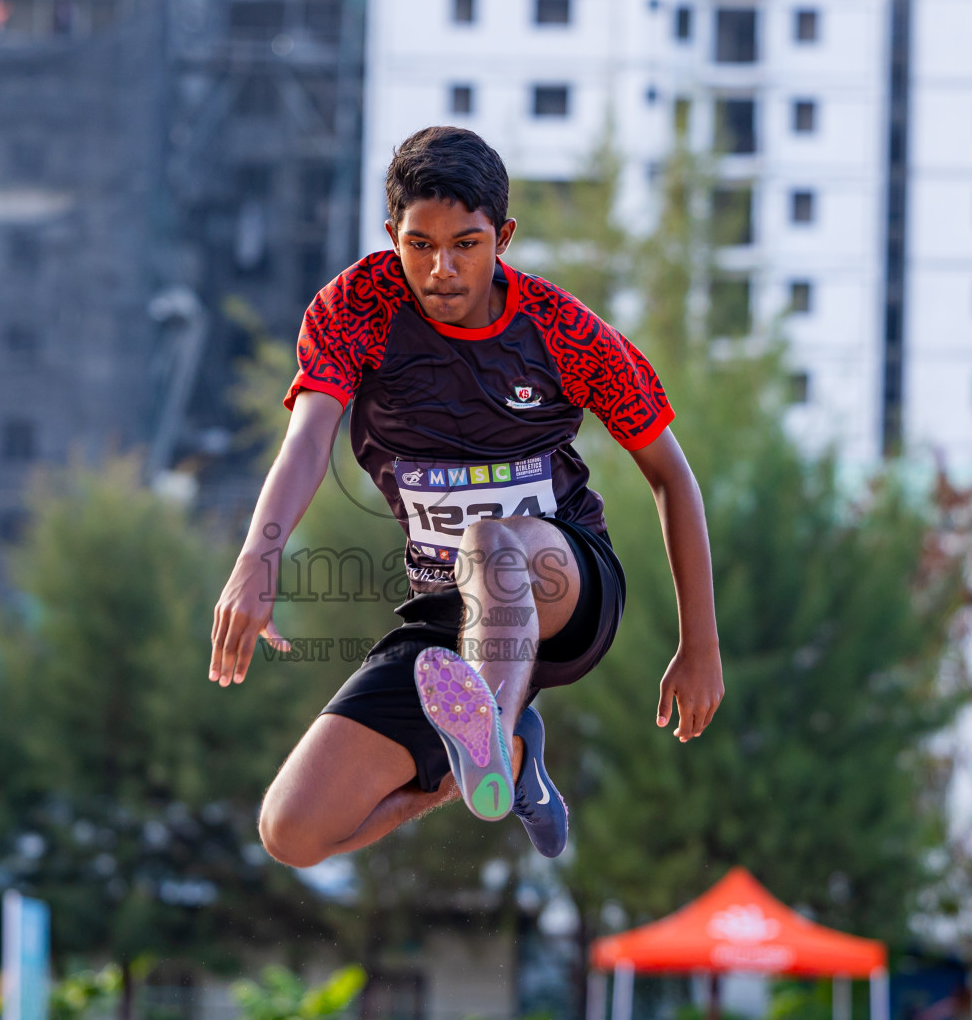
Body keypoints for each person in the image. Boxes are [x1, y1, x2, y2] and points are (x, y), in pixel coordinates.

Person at [209, 127, 723, 864]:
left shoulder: (564, 331)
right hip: (450, 616)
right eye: (419, 246)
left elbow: (672, 477)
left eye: (466, 245)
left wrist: (699, 645)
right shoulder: (354, 308)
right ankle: (498, 763)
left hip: (565, 587)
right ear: (392, 235)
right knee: (291, 831)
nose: (441, 269)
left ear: (503, 237)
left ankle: (485, 723)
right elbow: (307, 439)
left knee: (493, 539)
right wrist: (257, 559)